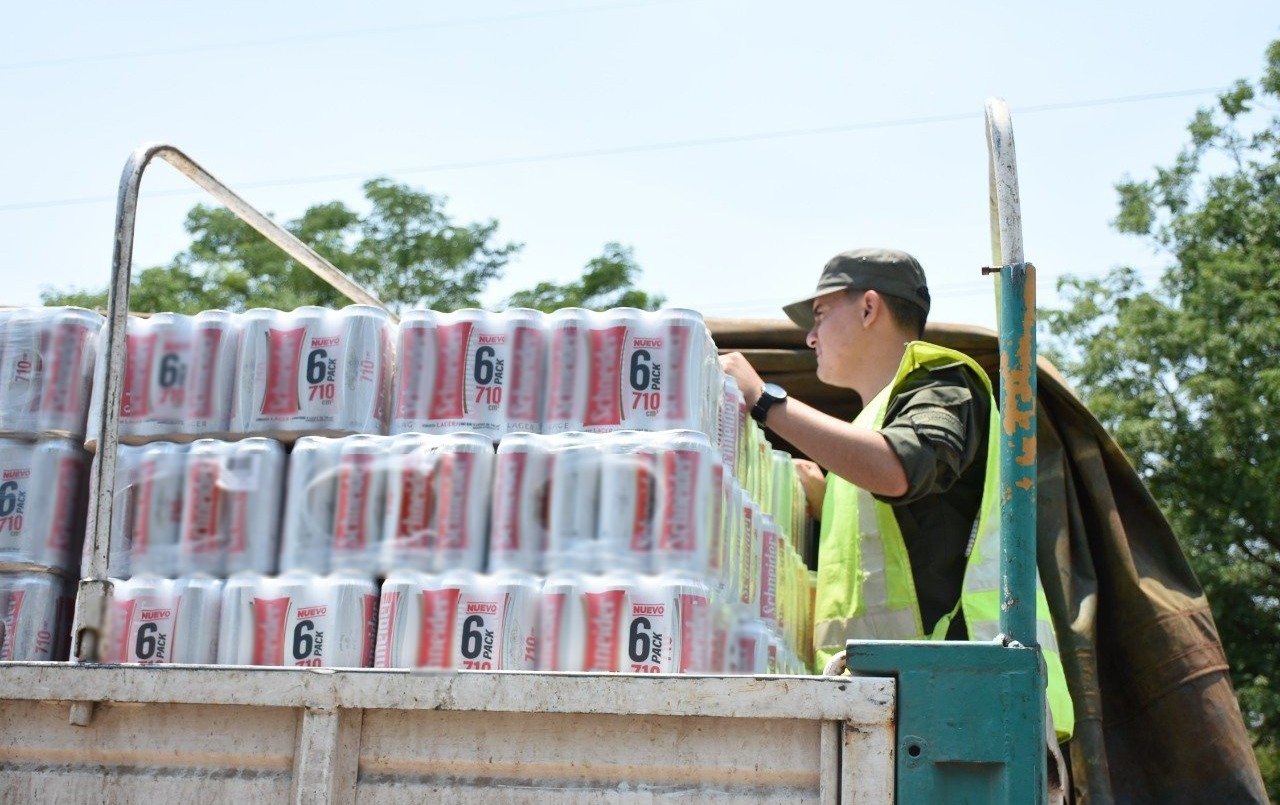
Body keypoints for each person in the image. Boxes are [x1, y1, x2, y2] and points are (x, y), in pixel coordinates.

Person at [719, 247, 1074, 744]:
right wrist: (823, 500)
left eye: (820, 315)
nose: (810, 336)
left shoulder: (944, 382)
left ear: (869, 308)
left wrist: (765, 400)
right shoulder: (862, 434)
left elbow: (899, 468)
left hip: (966, 703)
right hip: (892, 707)